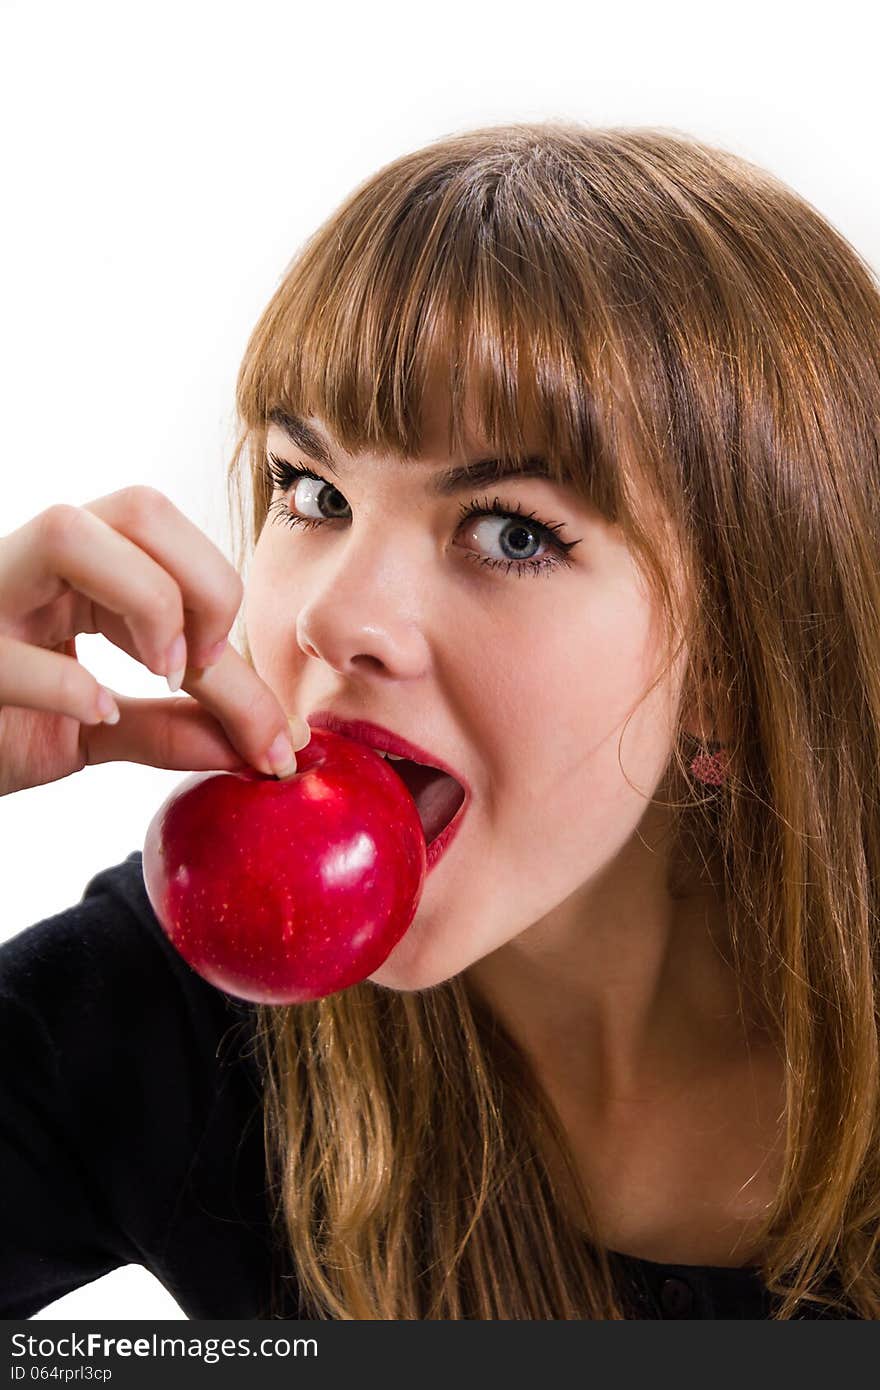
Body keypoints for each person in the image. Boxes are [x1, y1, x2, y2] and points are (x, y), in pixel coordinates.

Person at [1, 119, 877, 1321]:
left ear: (733, 649)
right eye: (311, 493)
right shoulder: (183, 1010)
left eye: (512, 532)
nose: (331, 617)